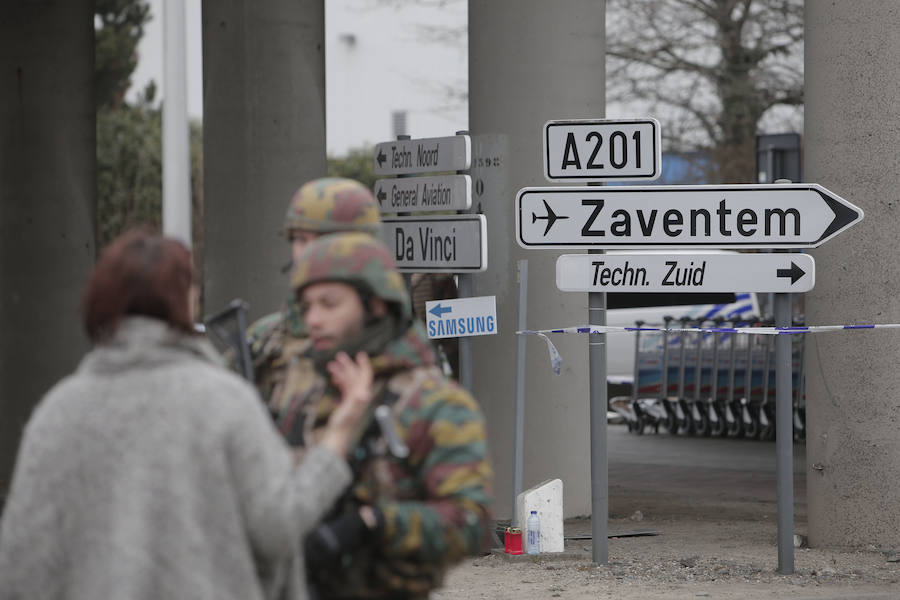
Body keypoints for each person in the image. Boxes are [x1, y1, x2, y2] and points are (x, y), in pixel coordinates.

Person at [0, 229, 375, 600]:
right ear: (185, 301)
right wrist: (339, 432)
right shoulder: (226, 401)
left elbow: (19, 569)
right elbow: (277, 527)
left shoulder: (57, 413)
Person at [282, 232, 493, 600]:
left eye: (329, 304)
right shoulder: (302, 392)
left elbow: (470, 523)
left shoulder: (435, 403)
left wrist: (372, 524)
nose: (313, 319)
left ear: (375, 305)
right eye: (307, 306)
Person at [245, 177, 381, 419]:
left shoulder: (392, 344)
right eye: (300, 239)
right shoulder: (264, 340)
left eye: (322, 240)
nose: (308, 252)